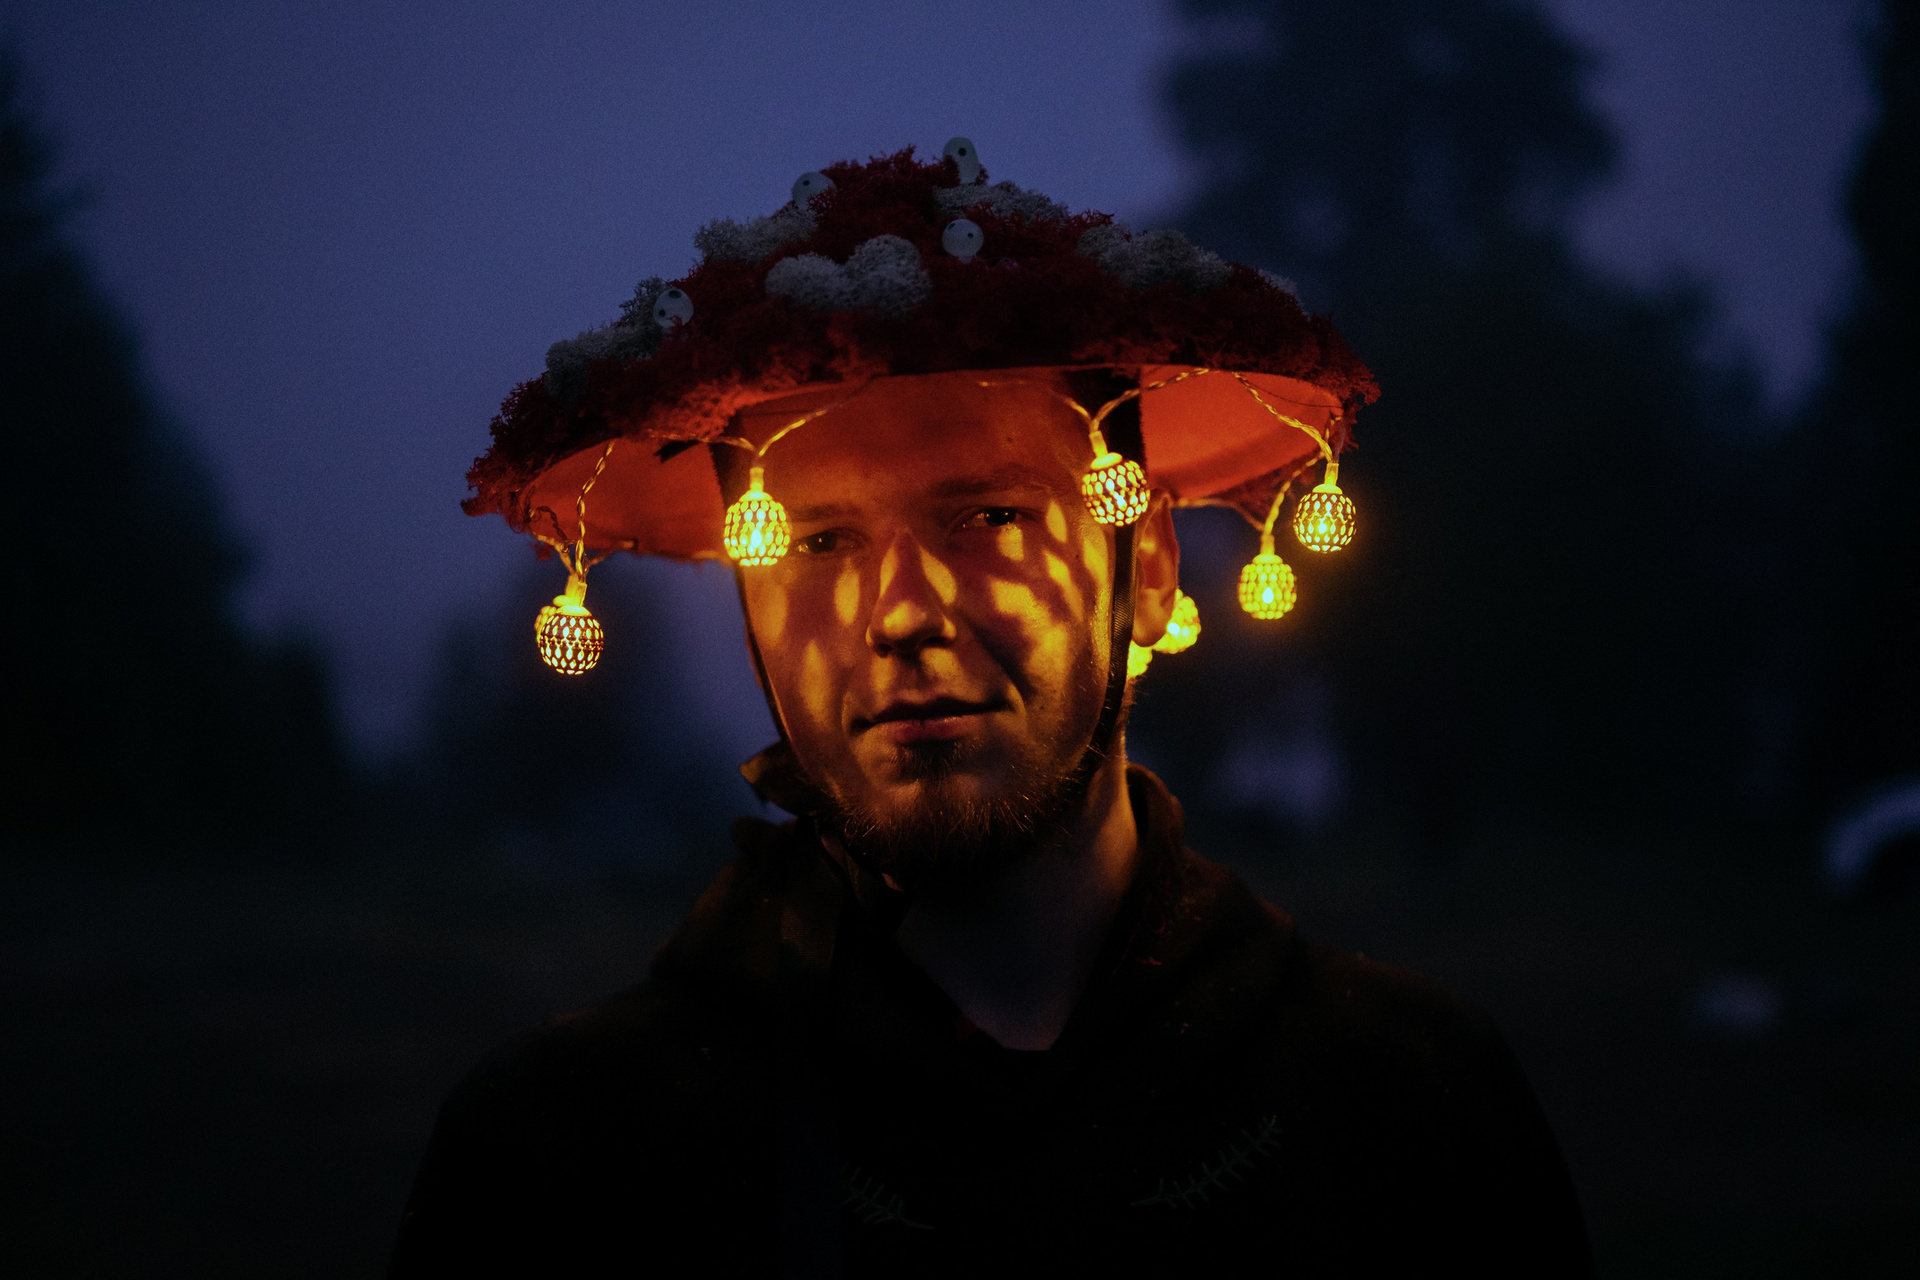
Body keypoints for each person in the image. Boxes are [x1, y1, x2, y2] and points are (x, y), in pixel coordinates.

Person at [391, 143, 1592, 1277]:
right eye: (818, 540)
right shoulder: (566, 1154)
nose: (900, 612)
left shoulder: (1404, 1102)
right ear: (748, 592)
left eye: (987, 518)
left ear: (1148, 566)